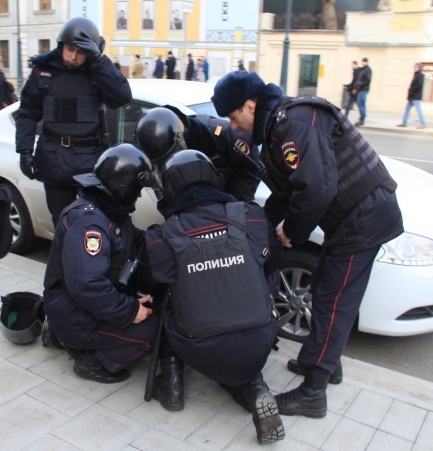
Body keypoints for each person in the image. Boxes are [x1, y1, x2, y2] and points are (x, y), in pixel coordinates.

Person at [211, 71, 404, 418]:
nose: (234, 127)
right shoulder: (276, 131)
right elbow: (285, 191)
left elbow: (316, 190)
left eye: (234, 116)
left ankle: (314, 391)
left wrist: (292, 232)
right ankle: (328, 363)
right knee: (325, 287)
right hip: (351, 217)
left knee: (333, 297)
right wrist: (260, 225)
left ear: (251, 105)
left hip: (364, 217)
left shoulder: (295, 123)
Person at [144, 149, 285, 444]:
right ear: (214, 179)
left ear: (169, 189)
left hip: (198, 347)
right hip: (260, 338)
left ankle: (171, 386)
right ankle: (254, 385)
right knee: (260, 272)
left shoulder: (162, 235)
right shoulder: (252, 217)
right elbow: (273, 262)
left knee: (166, 298)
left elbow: (155, 285)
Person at [42, 144, 163, 384]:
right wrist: (129, 311)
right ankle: (92, 362)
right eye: (137, 190)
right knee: (152, 333)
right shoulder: (91, 224)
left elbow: (138, 240)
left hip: (81, 306)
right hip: (75, 313)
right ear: (124, 186)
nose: (139, 196)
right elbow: (88, 284)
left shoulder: (109, 213)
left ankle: (62, 335)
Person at [15, 17, 132, 228]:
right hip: (54, 161)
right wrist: (24, 151)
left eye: (81, 52)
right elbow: (27, 112)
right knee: (62, 225)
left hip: (89, 163)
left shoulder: (98, 72)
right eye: (70, 49)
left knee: (91, 226)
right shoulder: (43, 72)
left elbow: (122, 97)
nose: (74, 57)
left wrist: (98, 61)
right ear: (61, 45)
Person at [135, 105, 263, 217]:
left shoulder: (224, 136)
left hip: (229, 203)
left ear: (182, 139)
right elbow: (165, 191)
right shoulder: (152, 151)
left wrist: (235, 205)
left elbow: (251, 169)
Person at [397, 62, 427, 129]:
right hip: (412, 96)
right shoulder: (415, 74)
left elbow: (419, 85)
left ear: (419, 68)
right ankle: (404, 123)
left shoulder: (420, 75)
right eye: (414, 66)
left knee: (418, 110)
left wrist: (412, 89)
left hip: (416, 96)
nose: (415, 68)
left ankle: (424, 123)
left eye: (416, 67)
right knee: (407, 109)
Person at [353, 57, 371, 126]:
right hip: (360, 89)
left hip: (364, 89)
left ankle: (362, 119)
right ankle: (362, 116)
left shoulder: (367, 70)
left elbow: (368, 79)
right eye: (363, 61)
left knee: (360, 104)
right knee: (361, 104)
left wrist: (360, 84)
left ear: (367, 62)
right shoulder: (362, 69)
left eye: (364, 61)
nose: (363, 63)